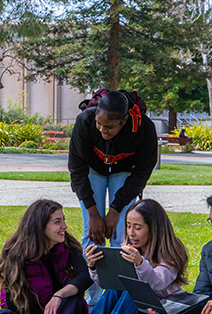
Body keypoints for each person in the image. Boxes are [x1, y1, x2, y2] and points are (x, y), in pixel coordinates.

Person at [72, 198, 188, 314]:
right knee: (117, 284)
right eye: (128, 226)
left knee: (133, 287)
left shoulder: (170, 252)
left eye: (138, 227)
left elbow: (157, 283)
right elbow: (106, 284)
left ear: (154, 228)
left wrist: (140, 263)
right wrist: (94, 267)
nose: (131, 233)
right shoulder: (129, 248)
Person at [0, 199, 91, 314]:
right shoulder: (15, 253)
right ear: (40, 227)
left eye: (64, 220)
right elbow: (12, 306)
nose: (64, 226)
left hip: (64, 309)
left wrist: (59, 295)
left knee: (73, 295)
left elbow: (86, 275)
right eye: (58, 222)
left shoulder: (67, 245)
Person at [68, 90, 158, 249]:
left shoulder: (144, 128)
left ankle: (120, 273)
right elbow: (77, 170)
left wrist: (116, 210)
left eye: (109, 126)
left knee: (120, 236)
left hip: (124, 172)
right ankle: (92, 273)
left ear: (123, 121)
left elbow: (141, 174)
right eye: (99, 123)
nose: (102, 130)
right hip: (93, 171)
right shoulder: (84, 121)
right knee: (92, 235)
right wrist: (93, 213)